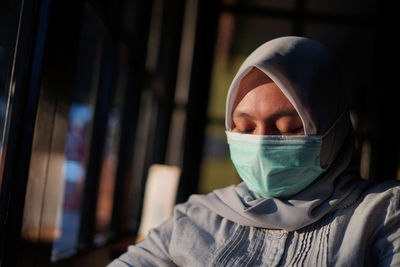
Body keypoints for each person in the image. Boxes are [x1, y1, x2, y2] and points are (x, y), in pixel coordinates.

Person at [108, 36, 400, 266]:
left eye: (287, 129)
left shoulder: (382, 213)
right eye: (245, 129)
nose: (262, 143)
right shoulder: (198, 215)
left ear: (333, 131)